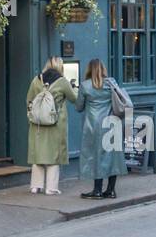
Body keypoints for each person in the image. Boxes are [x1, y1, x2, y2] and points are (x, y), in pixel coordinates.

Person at [75, 58, 129, 199]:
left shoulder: (85, 86)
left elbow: (79, 107)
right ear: (103, 69)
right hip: (112, 123)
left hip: (93, 126)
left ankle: (97, 190)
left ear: (89, 70)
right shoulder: (111, 83)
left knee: (95, 156)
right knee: (113, 157)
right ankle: (110, 190)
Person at [26, 56, 79, 196]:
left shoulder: (36, 80)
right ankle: (51, 188)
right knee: (54, 155)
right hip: (56, 123)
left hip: (37, 123)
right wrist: (75, 88)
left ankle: (35, 186)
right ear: (60, 66)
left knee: (38, 153)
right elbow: (74, 98)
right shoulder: (62, 82)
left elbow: (29, 100)